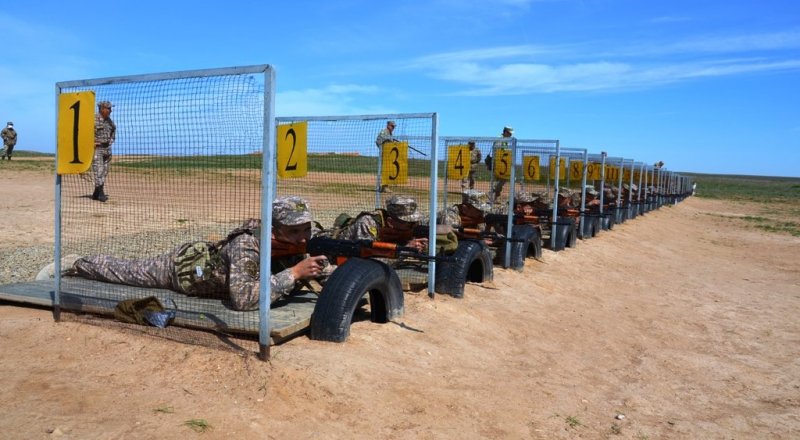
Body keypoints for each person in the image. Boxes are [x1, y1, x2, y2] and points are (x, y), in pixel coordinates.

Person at [67, 196, 332, 311]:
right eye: (295, 231)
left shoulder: (295, 244)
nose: (304, 237)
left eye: (306, 229)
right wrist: (295, 273)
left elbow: (327, 270)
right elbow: (242, 300)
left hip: (207, 267)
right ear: (274, 230)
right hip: (182, 271)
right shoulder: (247, 246)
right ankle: (77, 263)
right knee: (126, 271)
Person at [334, 195, 428, 252]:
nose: (413, 226)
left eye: (414, 222)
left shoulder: (407, 227)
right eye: (409, 223)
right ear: (390, 222)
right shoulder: (367, 223)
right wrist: (405, 249)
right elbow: (370, 260)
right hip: (335, 252)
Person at [92, 101, 116, 202]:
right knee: (99, 171)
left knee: (105, 172)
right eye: (108, 108)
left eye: (110, 108)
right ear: (102, 109)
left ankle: (96, 193)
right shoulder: (93, 119)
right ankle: (101, 193)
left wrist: (110, 142)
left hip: (107, 149)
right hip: (97, 149)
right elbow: (84, 132)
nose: (111, 110)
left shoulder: (110, 121)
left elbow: (113, 131)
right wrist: (92, 142)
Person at [489, 125, 513, 204]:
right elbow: (498, 152)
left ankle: (495, 197)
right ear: (505, 132)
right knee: (500, 180)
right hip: (499, 163)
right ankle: (494, 197)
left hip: (504, 163)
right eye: (509, 133)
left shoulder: (505, 140)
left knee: (502, 180)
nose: (511, 135)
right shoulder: (500, 139)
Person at [375, 120, 398, 193]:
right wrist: (383, 148)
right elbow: (378, 141)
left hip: (389, 153)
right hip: (385, 153)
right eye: (392, 126)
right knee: (386, 170)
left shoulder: (390, 133)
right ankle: (384, 187)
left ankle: (385, 186)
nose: (393, 127)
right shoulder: (384, 132)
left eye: (394, 126)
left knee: (388, 170)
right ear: (388, 125)